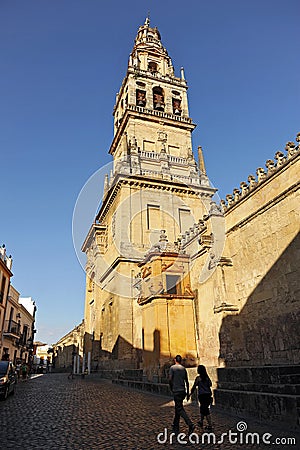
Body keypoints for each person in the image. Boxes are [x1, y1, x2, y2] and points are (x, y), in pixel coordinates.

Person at [169, 355, 195, 436]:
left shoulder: (172, 368)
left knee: (179, 408)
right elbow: (186, 381)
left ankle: (190, 424)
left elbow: (170, 379)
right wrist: (187, 393)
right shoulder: (183, 369)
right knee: (178, 407)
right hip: (182, 391)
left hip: (176, 391)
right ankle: (175, 424)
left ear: (175, 360)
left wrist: (171, 387)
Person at [190, 364, 213, 430]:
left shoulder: (198, 378)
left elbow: (194, 387)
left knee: (205, 410)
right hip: (208, 395)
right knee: (203, 408)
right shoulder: (207, 378)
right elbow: (210, 384)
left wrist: (190, 394)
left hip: (202, 396)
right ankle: (201, 421)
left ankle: (210, 425)